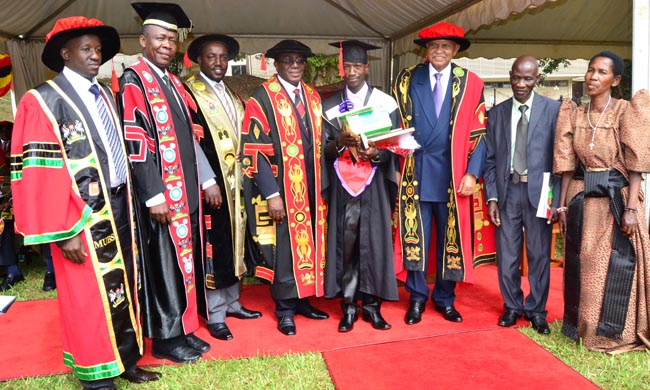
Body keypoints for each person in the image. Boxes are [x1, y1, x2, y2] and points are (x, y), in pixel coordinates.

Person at [10, 16, 160, 389]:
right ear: (65, 53)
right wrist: (63, 232)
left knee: (123, 286)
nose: (96, 56)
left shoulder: (104, 94)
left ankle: (125, 359)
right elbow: (38, 174)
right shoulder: (42, 101)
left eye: (98, 50)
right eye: (87, 49)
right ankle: (97, 376)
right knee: (87, 298)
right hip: (79, 219)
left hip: (119, 206)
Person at [119, 2, 219, 363]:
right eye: (159, 38)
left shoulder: (174, 82)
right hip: (163, 195)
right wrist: (153, 194)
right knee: (164, 266)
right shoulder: (134, 80)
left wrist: (207, 179)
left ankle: (184, 328)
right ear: (143, 41)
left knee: (184, 262)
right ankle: (165, 337)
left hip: (186, 191)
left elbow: (191, 139)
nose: (166, 45)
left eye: (171, 39)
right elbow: (137, 143)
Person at [554, 51, 650, 352]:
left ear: (615, 79)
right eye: (590, 70)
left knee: (616, 263)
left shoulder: (625, 111)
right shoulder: (574, 113)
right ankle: (586, 327)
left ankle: (617, 333)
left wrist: (632, 209)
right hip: (584, 199)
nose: (594, 77)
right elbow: (567, 163)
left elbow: (635, 165)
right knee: (586, 264)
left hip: (618, 199)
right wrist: (562, 205)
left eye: (602, 72)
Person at [393, 22, 486, 325]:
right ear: (426, 50)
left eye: (446, 46)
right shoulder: (406, 79)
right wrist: (395, 165)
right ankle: (417, 298)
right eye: (434, 46)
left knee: (452, 240)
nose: (439, 51)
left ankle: (445, 298)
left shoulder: (470, 82)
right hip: (414, 173)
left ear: (456, 50)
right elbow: (393, 127)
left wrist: (472, 173)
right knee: (415, 237)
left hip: (452, 175)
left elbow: (480, 133)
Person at [240, 39, 329, 336]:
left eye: (299, 61)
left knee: (310, 245)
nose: (294, 65)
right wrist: (272, 194)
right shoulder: (262, 98)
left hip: (312, 187)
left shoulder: (314, 97)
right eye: (288, 60)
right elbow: (254, 150)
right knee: (284, 250)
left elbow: (322, 142)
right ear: (276, 64)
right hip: (284, 190)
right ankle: (285, 309)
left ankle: (304, 300)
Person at [184, 33, 262, 341]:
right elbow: (190, 141)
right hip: (214, 186)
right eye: (211, 57)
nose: (219, 62)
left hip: (237, 185)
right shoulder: (191, 93)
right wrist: (207, 180)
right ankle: (215, 313)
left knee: (235, 242)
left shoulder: (230, 92)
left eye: (223, 57)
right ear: (199, 60)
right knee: (215, 245)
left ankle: (233, 303)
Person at [322, 40, 399, 332]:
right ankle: (349, 307)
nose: (351, 71)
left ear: (367, 68)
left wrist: (377, 154)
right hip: (344, 184)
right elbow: (323, 150)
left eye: (357, 66)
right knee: (347, 243)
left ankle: (372, 307)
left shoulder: (385, 102)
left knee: (374, 243)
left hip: (374, 183)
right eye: (347, 66)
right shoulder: (330, 106)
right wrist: (339, 143)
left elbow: (395, 144)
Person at [484, 55, 561, 335]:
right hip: (507, 192)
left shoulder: (553, 110)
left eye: (527, 78)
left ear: (537, 79)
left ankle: (537, 311)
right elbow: (490, 160)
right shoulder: (497, 113)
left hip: (540, 192)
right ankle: (513, 306)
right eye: (516, 77)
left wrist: (556, 201)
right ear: (510, 75)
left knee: (539, 254)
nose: (520, 84)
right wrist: (492, 197)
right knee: (507, 255)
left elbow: (559, 160)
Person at [0, 121, 23, 291]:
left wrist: (11, 199)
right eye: (1, 130)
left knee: (5, 230)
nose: (5, 132)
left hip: (13, 196)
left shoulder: (19, 145)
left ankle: (13, 271)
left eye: (8, 129)